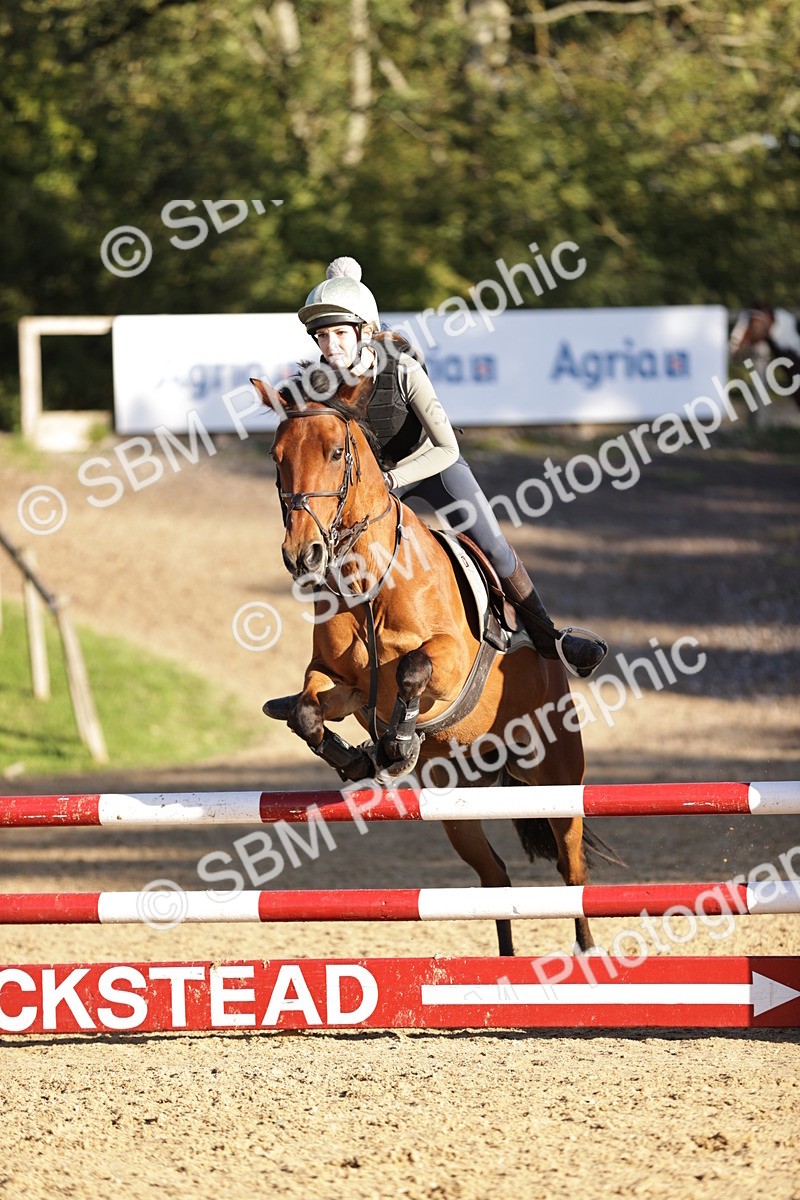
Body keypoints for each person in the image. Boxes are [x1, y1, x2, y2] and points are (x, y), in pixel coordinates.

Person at [293, 256, 608, 679]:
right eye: (322, 336)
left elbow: (446, 446)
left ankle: (550, 638)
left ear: (364, 332)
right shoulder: (319, 386)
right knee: (333, 554)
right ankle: (332, 667)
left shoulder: (401, 369)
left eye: (338, 334)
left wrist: (390, 480)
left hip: (431, 465)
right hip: (378, 482)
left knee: (492, 544)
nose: (329, 347)